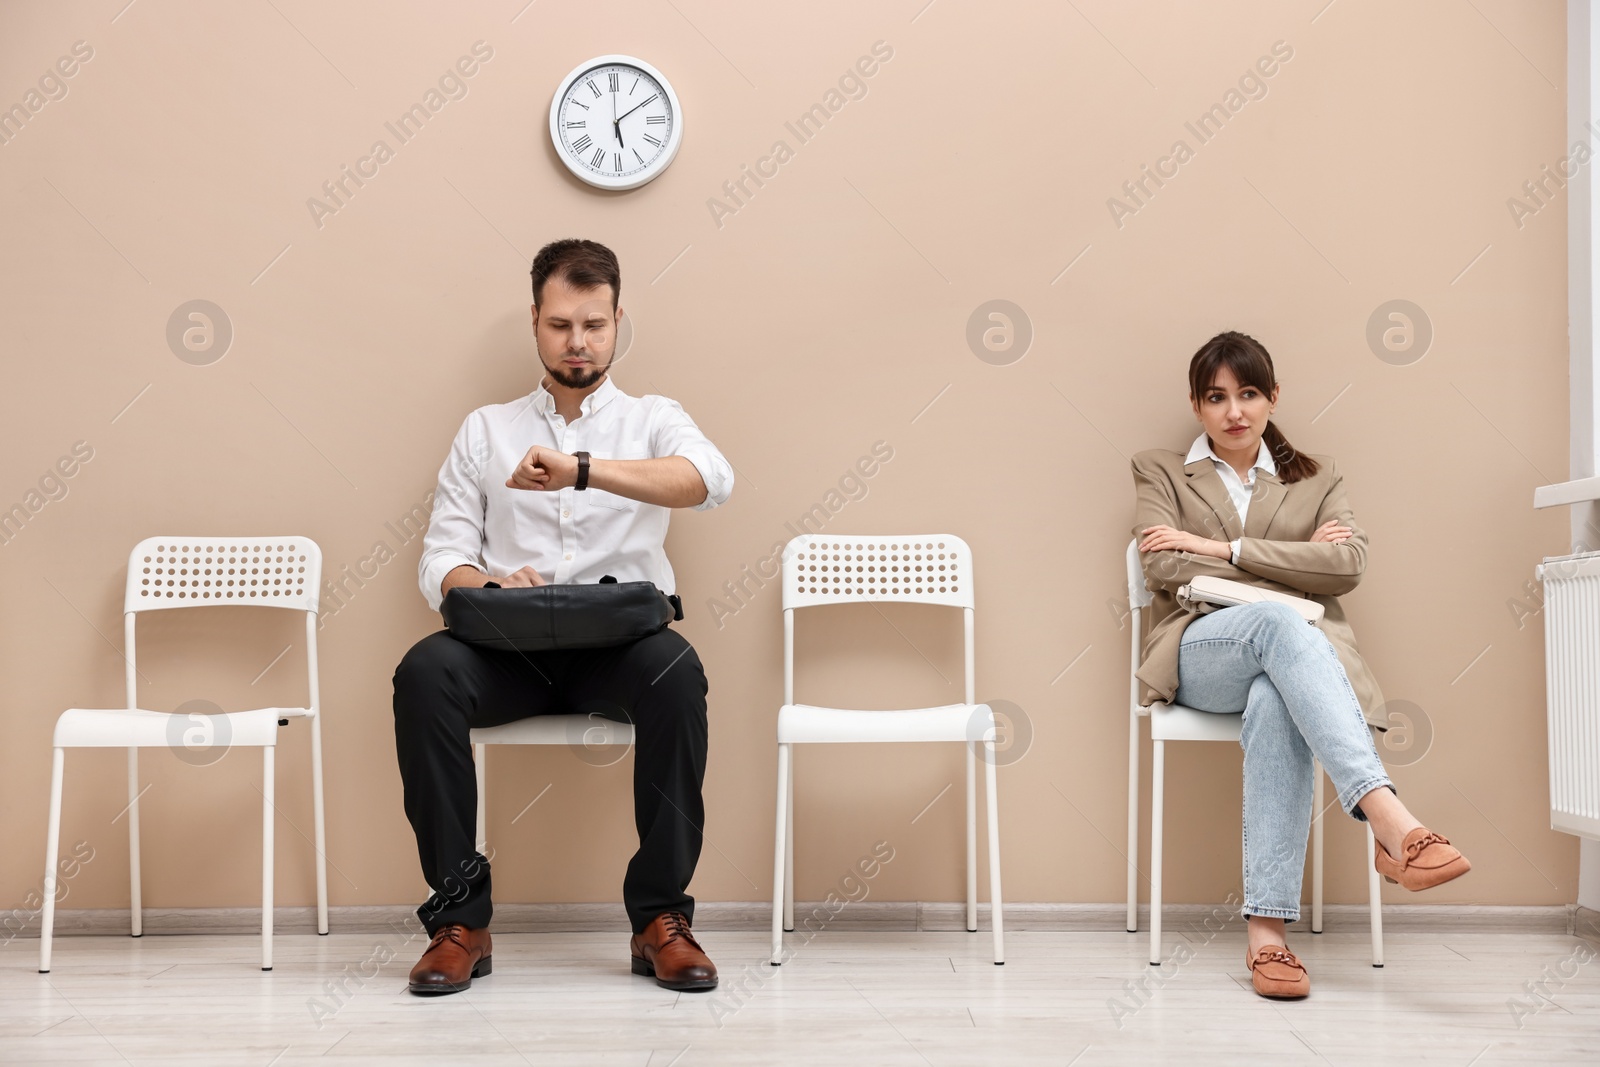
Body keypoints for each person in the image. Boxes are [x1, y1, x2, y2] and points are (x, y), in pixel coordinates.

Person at [392, 238, 733, 995]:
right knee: (425, 671)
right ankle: (460, 922)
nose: (578, 342)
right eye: (560, 325)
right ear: (535, 324)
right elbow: (439, 557)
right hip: (508, 649)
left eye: (594, 324)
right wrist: (487, 582)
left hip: (619, 649)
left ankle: (660, 920)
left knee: (678, 670)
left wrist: (580, 469)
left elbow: (710, 479)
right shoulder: (485, 429)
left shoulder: (653, 418)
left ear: (618, 323)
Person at [1131, 330, 1471, 999]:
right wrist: (1287, 565)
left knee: (1273, 695)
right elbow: (1163, 565)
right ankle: (1389, 819)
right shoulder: (1159, 469)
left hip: (1285, 667)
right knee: (1277, 624)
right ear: (1197, 407)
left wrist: (1222, 548)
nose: (1235, 410)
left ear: (1273, 397)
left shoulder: (1317, 476)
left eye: (1249, 393)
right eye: (1217, 397)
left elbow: (1347, 565)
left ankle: (1268, 935)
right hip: (1201, 652)